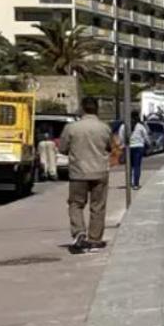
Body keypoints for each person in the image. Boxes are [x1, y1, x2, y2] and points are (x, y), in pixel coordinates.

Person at [61, 98, 116, 251]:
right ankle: (95, 239)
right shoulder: (104, 128)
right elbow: (111, 147)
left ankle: (79, 231)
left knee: (76, 204)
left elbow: (62, 148)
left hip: (78, 172)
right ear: (97, 109)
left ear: (82, 109)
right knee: (98, 206)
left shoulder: (71, 128)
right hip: (100, 171)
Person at [123, 112, 147, 189]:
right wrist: (147, 143)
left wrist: (124, 144)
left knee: (129, 166)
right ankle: (136, 184)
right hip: (139, 147)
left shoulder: (125, 126)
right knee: (137, 166)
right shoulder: (140, 126)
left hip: (129, 147)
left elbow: (121, 135)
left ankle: (129, 183)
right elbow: (145, 136)